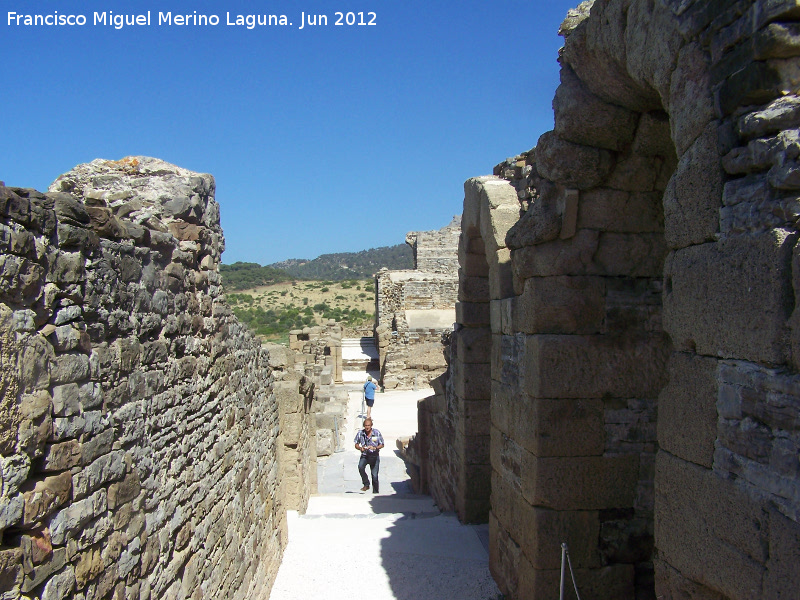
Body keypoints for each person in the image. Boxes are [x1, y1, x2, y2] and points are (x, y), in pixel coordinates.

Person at [354, 418, 384, 493]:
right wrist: (361, 448)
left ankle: (375, 492)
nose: (367, 427)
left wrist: (375, 448)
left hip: (374, 456)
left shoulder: (376, 433)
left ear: (371, 426)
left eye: (369, 425)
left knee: (374, 476)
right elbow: (356, 444)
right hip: (365, 455)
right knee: (360, 467)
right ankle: (366, 484)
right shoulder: (360, 433)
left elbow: (382, 444)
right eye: (366, 425)